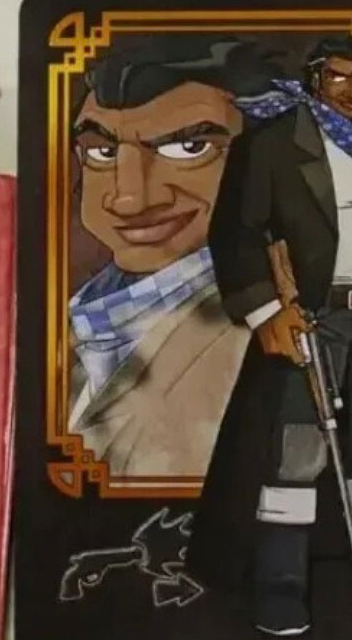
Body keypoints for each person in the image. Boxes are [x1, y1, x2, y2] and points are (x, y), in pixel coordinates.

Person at [196, 35, 352, 636]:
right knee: (297, 452)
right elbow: (236, 234)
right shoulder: (271, 148)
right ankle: (281, 588)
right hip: (313, 317)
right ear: (315, 80)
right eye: (340, 77)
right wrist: (267, 312)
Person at [67, 37, 281, 478]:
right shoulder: (87, 316)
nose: (128, 199)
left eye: (189, 149)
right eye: (103, 152)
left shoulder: (267, 320)